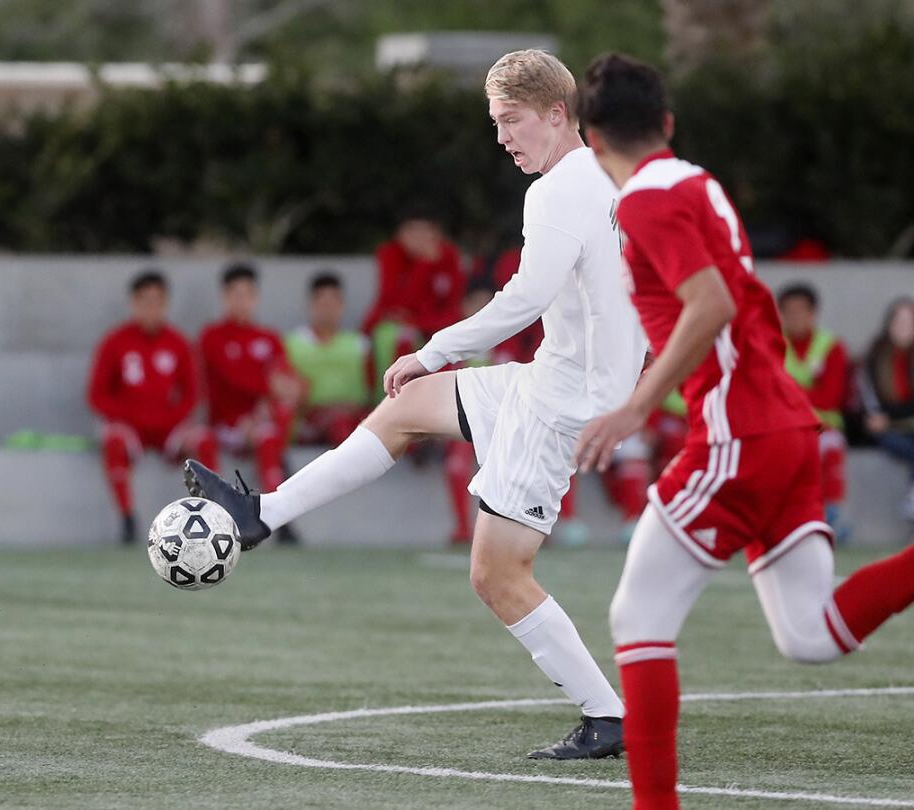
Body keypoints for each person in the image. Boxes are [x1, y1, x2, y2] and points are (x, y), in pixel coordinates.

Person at [574, 52, 914, 810]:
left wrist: (636, 406)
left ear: (590, 139)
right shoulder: (697, 181)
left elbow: (707, 306)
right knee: (811, 634)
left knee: (637, 617)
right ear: (666, 124)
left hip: (737, 435)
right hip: (790, 428)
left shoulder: (642, 201)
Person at [184, 49, 647, 757]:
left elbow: (524, 297)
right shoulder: (609, 179)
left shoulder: (559, 190)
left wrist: (433, 349)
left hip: (558, 404)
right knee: (404, 411)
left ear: (559, 115)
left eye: (511, 120)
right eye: (495, 122)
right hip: (553, 383)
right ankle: (262, 514)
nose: (502, 137)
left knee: (496, 576)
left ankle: (605, 717)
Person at [87, 270, 215, 543]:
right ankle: (127, 519)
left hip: (169, 428)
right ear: (133, 303)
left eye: (157, 301)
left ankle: (212, 517)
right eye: (145, 301)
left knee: (203, 439)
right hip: (131, 427)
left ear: (166, 304)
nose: (151, 308)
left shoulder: (178, 342)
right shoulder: (115, 342)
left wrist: (172, 417)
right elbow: (96, 394)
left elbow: (193, 394)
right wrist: (125, 415)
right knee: (113, 441)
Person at [198, 263, 303, 544]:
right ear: (224, 297)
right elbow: (232, 378)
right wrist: (270, 388)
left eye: (248, 294)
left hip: (259, 424)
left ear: (256, 298)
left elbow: (291, 382)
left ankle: (277, 522)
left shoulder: (269, 338)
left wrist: (279, 395)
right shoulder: (212, 336)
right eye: (235, 294)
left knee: (269, 431)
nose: (242, 301)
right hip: (225, 425)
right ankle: (216, 518)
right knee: (258, 430)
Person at [855, 297, 914, 531]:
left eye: (909, 323)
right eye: (899, 322)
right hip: (888, 431)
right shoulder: (875, 356)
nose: (904, 328)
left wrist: (909, 411)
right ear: (889, 324)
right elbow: (873, 410)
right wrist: (905, 412)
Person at [776, 283, 850, 537]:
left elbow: (830, 397)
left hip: (822, 426)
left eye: (801, 311)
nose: (795, 317)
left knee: (829, 446)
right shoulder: (771, 343)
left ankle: (831, 517)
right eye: (789, 311)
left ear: (812, 314)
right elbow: (767, 389)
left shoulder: (831, 346)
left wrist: (790, 393)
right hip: (783, 426)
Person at [363, 214, 467, 378]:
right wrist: (424, 264)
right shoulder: (389, 254)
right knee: (399, 337)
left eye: (425, 230)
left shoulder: (448, 254)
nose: (420, 237)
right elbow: (396, 300)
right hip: (399, 321)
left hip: (430, 320)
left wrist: (420, 321)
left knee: (456, 335)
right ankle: (391, 394)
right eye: (412, 230)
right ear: (400, 234)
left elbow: (453, 299)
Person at [284, 272, 374, 447]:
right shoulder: (292, 344)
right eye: (323, 304)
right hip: (313, 417)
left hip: (355, 415)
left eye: (333, 303)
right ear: (312, 305)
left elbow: (372, 387)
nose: (328, 310)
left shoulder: (359, 343)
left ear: (342, 305)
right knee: (340, 424)